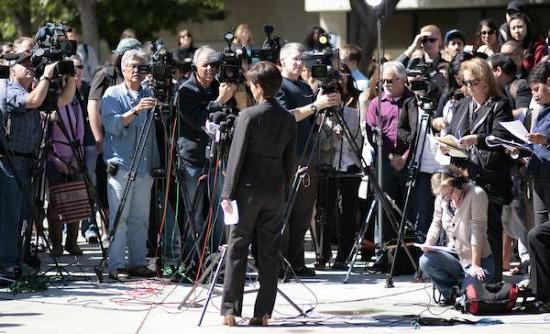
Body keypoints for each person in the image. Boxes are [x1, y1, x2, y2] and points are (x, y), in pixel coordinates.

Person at [220, 61, 297, 326]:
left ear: (258, 87)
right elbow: (291, 160)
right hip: (274, 190)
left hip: (248, 191)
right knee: (269, 252)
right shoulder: (287, 117)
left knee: (237, 247)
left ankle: (230, 310)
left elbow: (236, 157)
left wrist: (227, 193)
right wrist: (283, 190)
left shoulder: (248, 116)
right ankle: (263, 313)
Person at [0, 54, 75, 284]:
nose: (30, 68)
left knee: (24, 215)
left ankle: (18, 260)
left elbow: (63, 101)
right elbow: (32, 101)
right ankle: (6, 264)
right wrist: (45, 75)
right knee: (11, 215)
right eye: (25, 65)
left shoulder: (33, 88)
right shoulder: (5, 88)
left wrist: (70, 75)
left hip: (29, 161)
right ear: (12, 70)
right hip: (10, 161)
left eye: (32, 64)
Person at [443, 58, 514, 282]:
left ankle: (493, 280)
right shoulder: (463, 105)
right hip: (465, 174)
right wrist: (448, 147)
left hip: (490, 176)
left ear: (484, 81)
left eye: (473, 82)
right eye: (466, 83)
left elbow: (501, 138)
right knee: (465, 227)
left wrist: (477, 139)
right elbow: (454, 132)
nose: (469, 88)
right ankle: (468, 277)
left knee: (490, 229)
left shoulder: (499, 105)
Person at [276, 42, 340, 277]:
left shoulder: (303, 86)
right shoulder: (278, 86)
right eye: (294, 59)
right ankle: (281, 262)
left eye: (301, 59)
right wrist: (316, 105)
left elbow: (312, 117)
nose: (299, 63)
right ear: (282, 61)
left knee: (303, 213)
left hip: (308, 153)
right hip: (287, 155)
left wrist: (325, 103)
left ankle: (298, 261)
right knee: (285, 210)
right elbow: (286, 118)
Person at [101, 49, 159, 280]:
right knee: (119, 218)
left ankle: (137, 262)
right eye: (131, 66)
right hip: (121, 165)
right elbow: (112, 125)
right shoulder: (112, 94)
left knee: (140, 218)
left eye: (140, 66)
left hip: (144, 167)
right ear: (122, 69)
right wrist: (136, 110)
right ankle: (116, 265)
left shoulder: (150, 93)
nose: (136, 71)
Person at [419, 167, 493, 305]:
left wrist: (475, 265)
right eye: (443, 195)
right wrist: (428, 243)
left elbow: (478, 231)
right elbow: (436, 222)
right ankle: (450, 293)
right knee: (425, 261)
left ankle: (465, 290)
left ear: (459, 184)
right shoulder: (442, 198)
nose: (446, 198)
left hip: (477, 260)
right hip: (454, 256)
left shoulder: (477, 194)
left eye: (449, 193)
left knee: (469, 301)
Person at [366, 61, 414, 250]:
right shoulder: (376, 103)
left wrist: (404, 157)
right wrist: (389, 157)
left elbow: (417, 133)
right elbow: (372, 134)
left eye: (390, 80)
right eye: (382, 80)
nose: (385, 84)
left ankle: (410, 253)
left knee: (408, 207)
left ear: (402, 80)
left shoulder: (413, 101)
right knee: (384, 207)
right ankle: (384, 253)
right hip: (384, 161)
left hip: (409, 161)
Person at [525, 62, 550, 313]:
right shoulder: (541, 112)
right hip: (540, 178)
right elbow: (537, 146)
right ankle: (540, 291)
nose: (534, 94)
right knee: (539, 236)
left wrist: (547, 141)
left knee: (539, 235)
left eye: (537, 88)